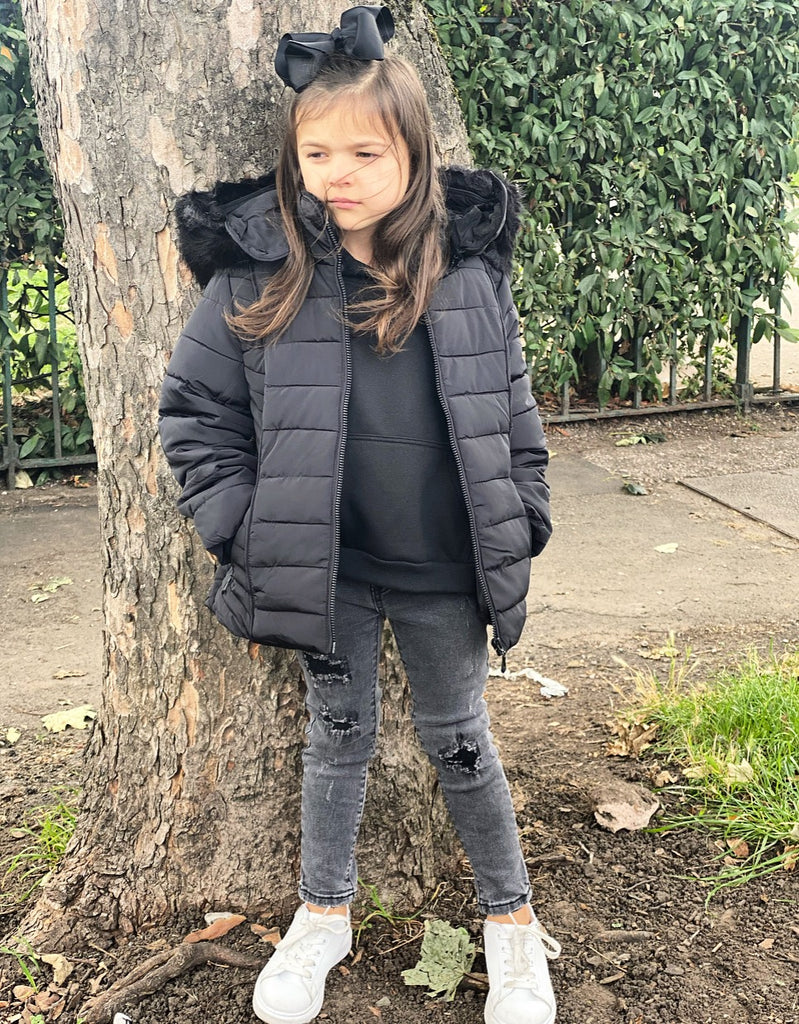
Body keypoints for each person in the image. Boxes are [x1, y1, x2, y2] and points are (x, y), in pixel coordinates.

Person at [158, 7, 559, 1024]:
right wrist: (248, 530)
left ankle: (511, 924)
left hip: (443, 570)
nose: (338, 173)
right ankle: (322, 913)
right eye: (317, 153)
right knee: (337, 736)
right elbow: (196, 412)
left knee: (459, 738)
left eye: (365, 153)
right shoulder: (260, 269)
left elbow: (512, 411)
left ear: (413, 154)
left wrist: (521, 513)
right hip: (323, 568)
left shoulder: (466, 272)